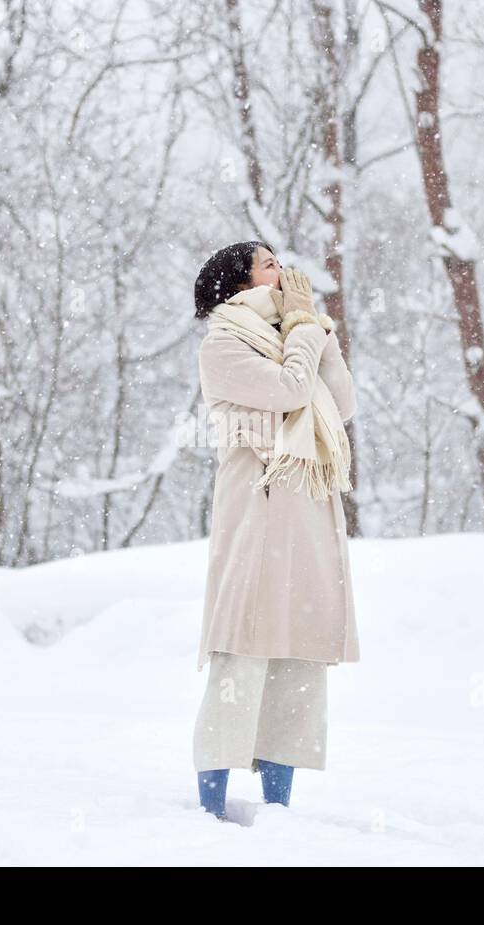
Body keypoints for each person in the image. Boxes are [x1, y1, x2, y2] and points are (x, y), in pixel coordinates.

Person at [190, 240, 360, 820]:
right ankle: (210, 809)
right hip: (257, 514)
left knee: (298, 655)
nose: (283, 271)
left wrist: (313, 329)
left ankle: (279, 811)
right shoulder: (224, 345)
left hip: (307, 510)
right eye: (268, 264)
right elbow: (289, 391)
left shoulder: (297, 333)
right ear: (240, 284)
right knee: (243, 651)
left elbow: (340, 403)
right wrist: (307, 333)